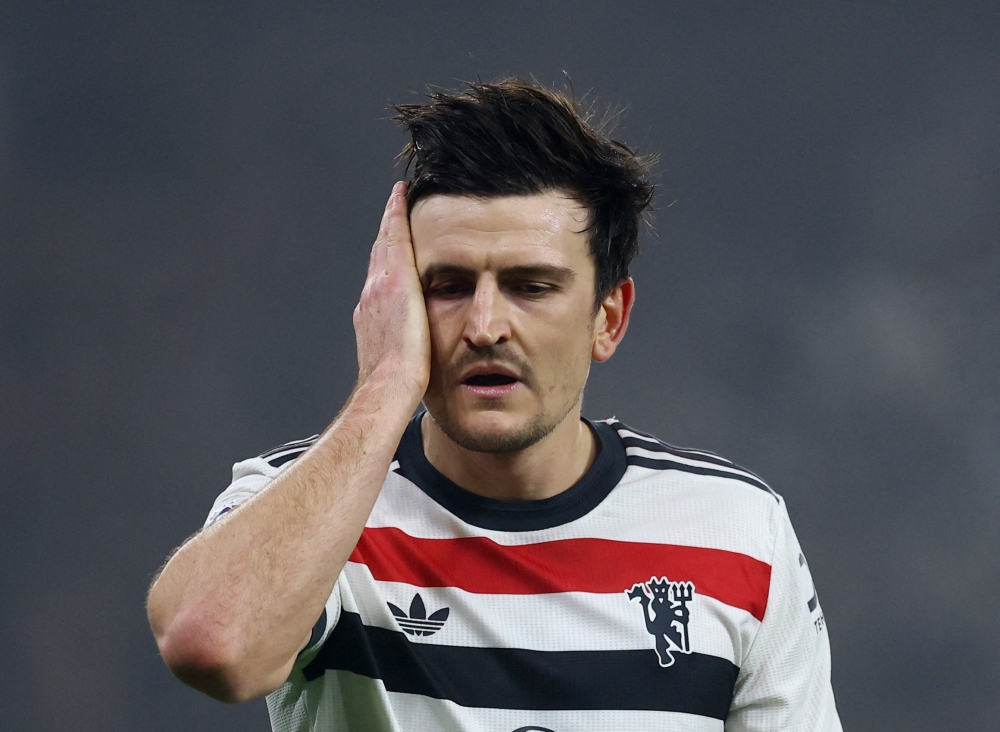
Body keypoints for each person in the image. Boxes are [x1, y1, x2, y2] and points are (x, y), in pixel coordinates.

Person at [147, 79, 842, 732]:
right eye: (447, 286)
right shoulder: (303, 506)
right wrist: (386, 384)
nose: (483, 325)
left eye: (530, 286)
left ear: (608, 317)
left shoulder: (737, 532)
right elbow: (211, 645)